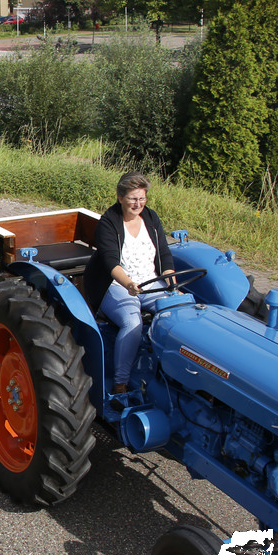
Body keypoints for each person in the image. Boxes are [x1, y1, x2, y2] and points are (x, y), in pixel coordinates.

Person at [83, 172, 175, 408]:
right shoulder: (109, 223)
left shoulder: (151, 218)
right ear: (120, 197)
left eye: (142, 198)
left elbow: (164, 255)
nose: (138, 204)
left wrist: (172, 284)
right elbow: (110, 263)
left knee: (178, 310)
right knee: (132, 322)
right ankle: (120, 383)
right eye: (133, 199)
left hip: (150, 283)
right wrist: (129, 285)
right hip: (116, 285)